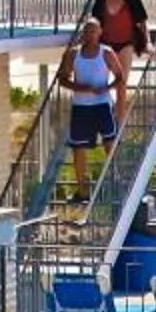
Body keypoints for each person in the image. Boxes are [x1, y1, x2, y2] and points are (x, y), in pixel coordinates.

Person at [56, 16, 126, 198]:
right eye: (87, 31)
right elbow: (62, 79)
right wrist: (81, 88)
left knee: (109, 143)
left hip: (102, 104)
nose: (90, 35)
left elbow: (120, 76)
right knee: (78, 149)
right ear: (83, 33)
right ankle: (83, 191)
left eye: (93, 31)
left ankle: (117, 181)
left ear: (100, 32)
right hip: (81, 106)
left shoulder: (107, 53)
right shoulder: (73, 54)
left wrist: (107, 87)